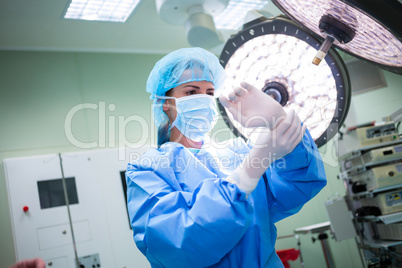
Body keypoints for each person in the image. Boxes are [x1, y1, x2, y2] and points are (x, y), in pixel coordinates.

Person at [126, 47, 326, 267]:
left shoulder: (238, 154)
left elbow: (299, 185)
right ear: (165, 102)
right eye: (191, 92)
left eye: (210, 93)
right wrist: (247, 173)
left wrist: (278, 120)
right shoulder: (147, 170)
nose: (203, 99)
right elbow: (178, 245)